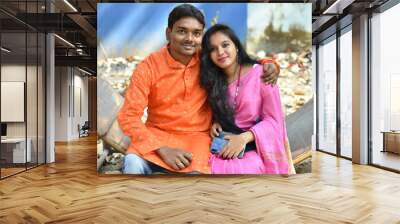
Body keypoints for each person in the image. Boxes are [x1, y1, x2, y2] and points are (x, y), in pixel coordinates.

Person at [118, 4, 280, 174]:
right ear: (168, 33)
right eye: (182, 31)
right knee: (132, 164)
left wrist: (268, 64)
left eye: (196, 33)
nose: (189, 39)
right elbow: (128, 116)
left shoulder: (207, 58)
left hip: (197, 139)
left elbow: (237, 62)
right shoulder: (148, 67)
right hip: (156, 137)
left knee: (196, 180)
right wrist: (161, 148)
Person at [200, 24, 295, 174]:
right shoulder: (213, 81)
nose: (220, 52)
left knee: (241, 169)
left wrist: (244, 138)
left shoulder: (262, 75)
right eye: (213, 49)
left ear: (236, 46)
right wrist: (216, 122)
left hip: (256, 147)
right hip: (223, 144)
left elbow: (275, 121)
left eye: (225, 45)